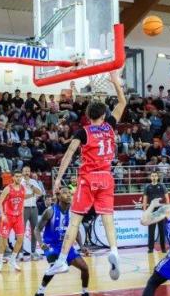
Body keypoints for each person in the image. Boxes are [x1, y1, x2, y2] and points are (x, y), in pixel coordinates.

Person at [47, 70, 126, 279]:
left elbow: (68, 156)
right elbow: (122, 102)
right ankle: (115, 252)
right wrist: (115, 82)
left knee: (75, 221)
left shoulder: (83, 132)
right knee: (108, 218)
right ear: (103, 115)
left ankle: (62, 260)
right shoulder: (110, 127)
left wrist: (57, 179)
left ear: (88, 117)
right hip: (107, 177)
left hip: (88, 178)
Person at [32, 188, 94, 296]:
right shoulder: (50, 212)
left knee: (85, 268)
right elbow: (36, 229)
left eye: (70, 193)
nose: (69, 195)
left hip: (66, 245)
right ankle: (39, 294)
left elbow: (74, 231)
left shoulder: (73, 212)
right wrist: (41, 244)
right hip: (52, 246)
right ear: (59, 196)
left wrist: (81, 246)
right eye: (65, 193)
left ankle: (85, 293)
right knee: (56, 267)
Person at [0, 171, 28, 272]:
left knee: (20, 239)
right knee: (3, 243)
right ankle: (0, 262)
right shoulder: (8, 188)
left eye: (20, 176)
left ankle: (13, 260)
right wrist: (2, 215)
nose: (18, 178)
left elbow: (22, 204)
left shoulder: (23, 189)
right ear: (13, 177)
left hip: (18, 217)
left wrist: (21, 216)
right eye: (17, 176)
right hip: (7, 217)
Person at [142, 171, 169, 254]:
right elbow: (145, 199)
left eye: (155, 176)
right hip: (151, 211)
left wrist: (167, 209)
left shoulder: (162, 186)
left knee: (162, 231)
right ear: (150, 177)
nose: (154, 177)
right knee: (151, 231)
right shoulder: (147, 187)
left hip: (161, 210)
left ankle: (163, 248)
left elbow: (167, 198)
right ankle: (150, 248)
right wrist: (145, 211)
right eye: (152, 176)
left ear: (157, 177)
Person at [21, 166, 45, 259]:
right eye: (25, 171)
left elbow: (40, 192)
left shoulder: (33, 182)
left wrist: (31, 186)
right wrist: (32, 194)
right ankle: (20, 253)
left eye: (28, 171)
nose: (27, 172)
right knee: (21, 232)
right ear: (22, 172)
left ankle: (33, 251)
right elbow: (22, 196)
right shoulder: (20, 182)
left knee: (35, 230)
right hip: (23, 208)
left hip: (34, 208)